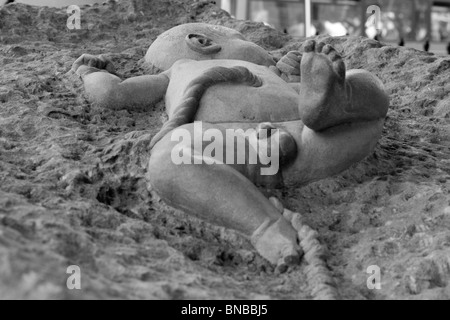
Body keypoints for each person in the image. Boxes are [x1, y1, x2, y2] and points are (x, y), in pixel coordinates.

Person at [72, 23, 389, 269]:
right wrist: (91, 73)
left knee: (365, 87)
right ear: (203, 43)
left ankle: (334, 103)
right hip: (226, 144)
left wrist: (310, 85)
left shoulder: (271, 73)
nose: (263, 51)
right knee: (169, 158)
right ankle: (263, 223)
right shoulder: (178, 71)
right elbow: (115, 94)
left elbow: (114, 93)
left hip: (308, 139)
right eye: (247, 39)